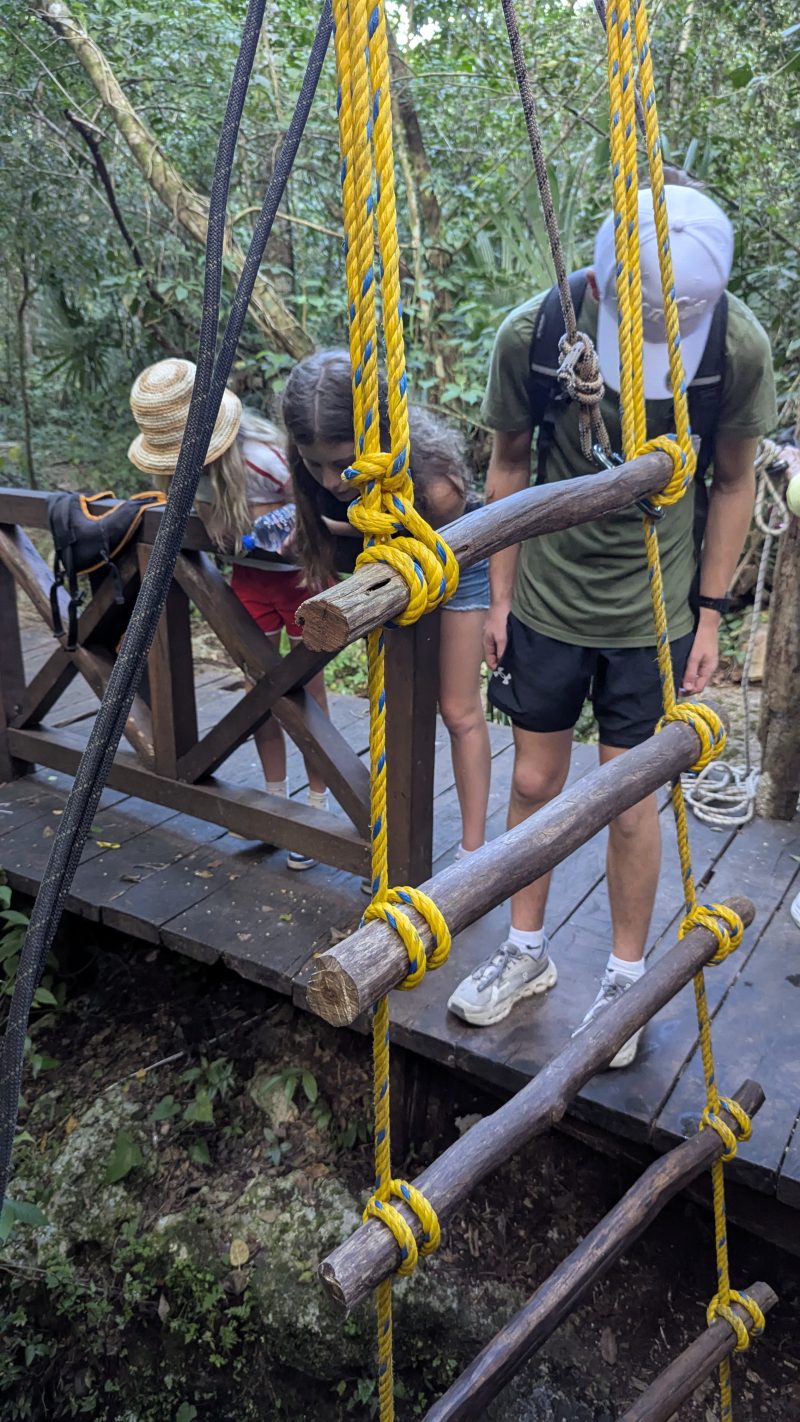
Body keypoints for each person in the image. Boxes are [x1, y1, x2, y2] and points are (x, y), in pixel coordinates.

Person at [447, 184, 777, 1065]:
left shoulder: (733, 349)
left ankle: (625, 979)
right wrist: (501, 597)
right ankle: (526, 951)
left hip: (656, 610)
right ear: (599, 283)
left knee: (631, 801)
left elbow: (733, 480)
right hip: (549, 596)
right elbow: (508, 466)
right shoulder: (536, 334)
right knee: (534, 780)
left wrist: (711, 617)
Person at [282, 348, 492, 861]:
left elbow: (428, 540)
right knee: (392, 706)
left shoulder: (437, 485)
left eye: (343, 464)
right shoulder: (316, 479)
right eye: (314, 464)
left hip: (453, 560)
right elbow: (344, 521)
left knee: (458, 710)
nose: (330, 481)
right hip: (384, 571)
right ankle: (388, 846)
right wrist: (325, 530)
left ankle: (473, 853)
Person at [127, 357, 330, 871]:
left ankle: (319, 804)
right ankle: (274, 799)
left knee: (308, 693)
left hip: (298, 581)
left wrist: (270, 523)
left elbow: (315, 508)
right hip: (246, 584)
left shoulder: (264, 459)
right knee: (258, 694)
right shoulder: (178, 473)